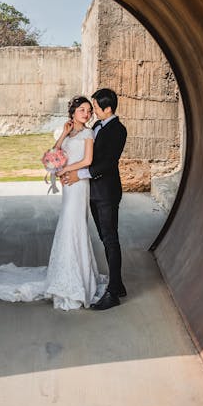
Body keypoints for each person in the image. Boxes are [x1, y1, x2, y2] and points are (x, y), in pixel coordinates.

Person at [0, 96, 107, 310]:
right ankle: (64, 272)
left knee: (75, 226)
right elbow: (54, 155)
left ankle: (77, 279)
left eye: (89, 110)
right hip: (69, 187)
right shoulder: (69, 133)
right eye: (82, 110)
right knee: (67, 226)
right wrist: (62, 134)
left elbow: (88, 161)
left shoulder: (88, 133)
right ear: (72, 112)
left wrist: (66, 170)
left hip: (78, 185)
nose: (86, 114)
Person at [60, 88, 127, 311]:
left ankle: (113, 293)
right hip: (92, 192)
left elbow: (107, 164)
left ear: (108, 108)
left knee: (110, 239)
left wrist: (78, 174)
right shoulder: (96, 127)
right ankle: (117, 284)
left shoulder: (118, 130)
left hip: (106, 193)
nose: (93, 111)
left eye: (96, 108)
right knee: (104, 237)